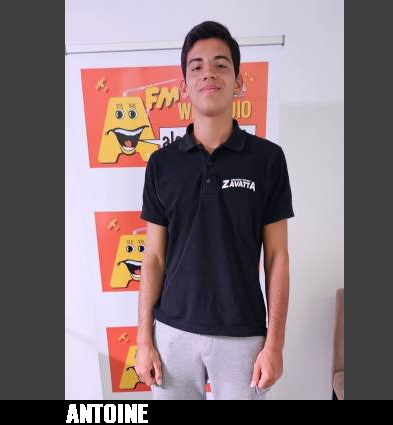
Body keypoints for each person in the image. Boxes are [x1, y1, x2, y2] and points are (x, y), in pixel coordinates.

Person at [136, 21, 294, 400]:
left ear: (238, 81)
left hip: (243, 336)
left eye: (221, 65)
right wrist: (144, 340)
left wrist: (274, 345)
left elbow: (277, 257)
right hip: (172, 332)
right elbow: (153, 257)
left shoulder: (268, 160)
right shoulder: (161, 164)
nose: (209, 73)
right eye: (197, 66)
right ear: (184, 85)